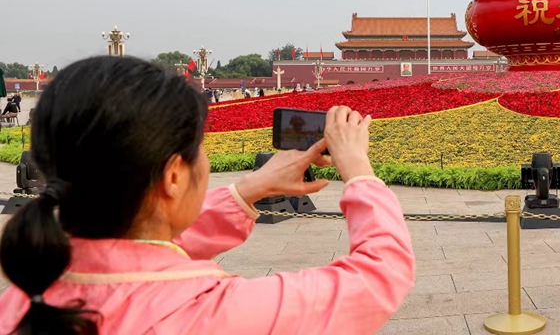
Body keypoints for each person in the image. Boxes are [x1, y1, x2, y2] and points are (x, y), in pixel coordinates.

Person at [0, 56, 415, 334]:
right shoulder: (213, 312)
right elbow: (378, 276)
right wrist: (357, 167)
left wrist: (249, 189)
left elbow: (139, 243)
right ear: (174, 176)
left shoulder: (27, 293)